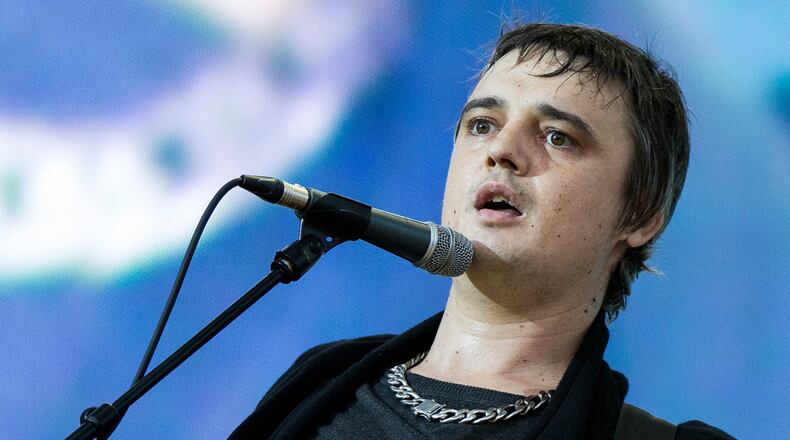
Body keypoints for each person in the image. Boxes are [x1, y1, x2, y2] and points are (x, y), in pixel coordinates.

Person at [230, 22, 734, 439]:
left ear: (640, 216)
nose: (501, 150)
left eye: (558, 136)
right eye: (481, 125)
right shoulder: (319, 380)